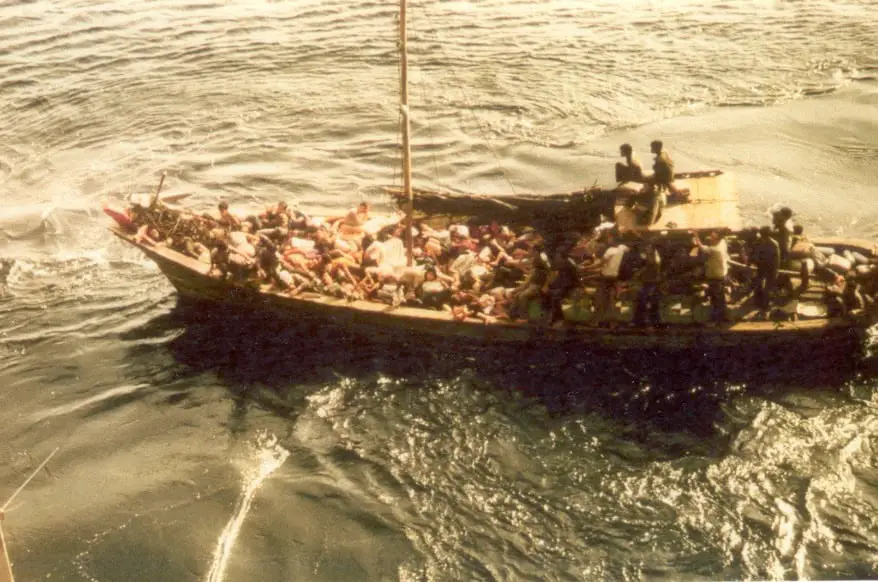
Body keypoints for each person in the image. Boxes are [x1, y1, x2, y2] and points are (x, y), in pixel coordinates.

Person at [694, 230, 730, 324]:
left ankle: (716, 319)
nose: (710, 239)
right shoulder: (722, 244)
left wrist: (696, 235)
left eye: (712, 238)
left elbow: (702, 248)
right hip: (721, 275)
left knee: (715, 299)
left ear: (717, 239)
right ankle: (723, 318)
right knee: (720, 298)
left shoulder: (715, 249)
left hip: (716, 277)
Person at [750, 226, 780, 318]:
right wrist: (751, 261)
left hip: (771, 268)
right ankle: (758, 304)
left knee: (767, 289)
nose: (762, 237)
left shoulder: (774, 244)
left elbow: (775, 261)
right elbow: (753, 252)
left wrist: (775, 273)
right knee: (758, 285)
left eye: (764, 235)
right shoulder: (758, 242)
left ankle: (766, 308)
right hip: (761, 266)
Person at [632, 240, 662, 328]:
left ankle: (648, 322)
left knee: (647, 302)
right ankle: (644, 321)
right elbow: (646, 267)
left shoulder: (653, 257)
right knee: (643, 302)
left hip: (652, 283)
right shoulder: (651, 257)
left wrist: (644, 256)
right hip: (648, 283)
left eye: (648, 248)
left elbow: (650, 263)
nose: (646, 249)